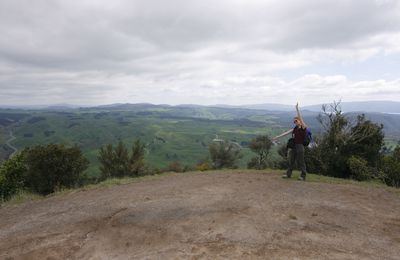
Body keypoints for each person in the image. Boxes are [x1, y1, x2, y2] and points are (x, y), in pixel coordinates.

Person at [272, 103, 307, 181]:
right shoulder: (295, 128)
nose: (295, 122)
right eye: (294, 121)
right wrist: (277, 137)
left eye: (296, 121)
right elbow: (286, 133)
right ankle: (288, 174)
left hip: (300, 146)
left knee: (301, 161)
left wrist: (297, 109)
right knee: (291, 160)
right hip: (294, 146)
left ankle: (303, 176)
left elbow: (301, 118)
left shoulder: (303, 128)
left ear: (300, 121)